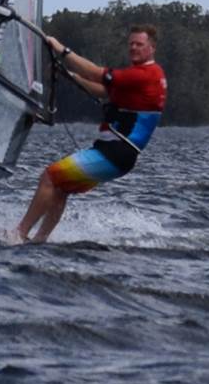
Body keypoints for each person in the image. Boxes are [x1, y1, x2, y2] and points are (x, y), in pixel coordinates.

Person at [11, 24, 163, 243]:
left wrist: (61, 50)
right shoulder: (144, 77)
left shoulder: (145, 75)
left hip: (115, 153)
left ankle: (19, 233)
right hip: (115, 154)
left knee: (50, 177)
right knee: (61, 188)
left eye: (139, 44)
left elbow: (94, 73)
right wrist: (69, 74)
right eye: (131, 44)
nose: (133, 48)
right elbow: (103, 91)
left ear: (152, 48)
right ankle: (39, 240)